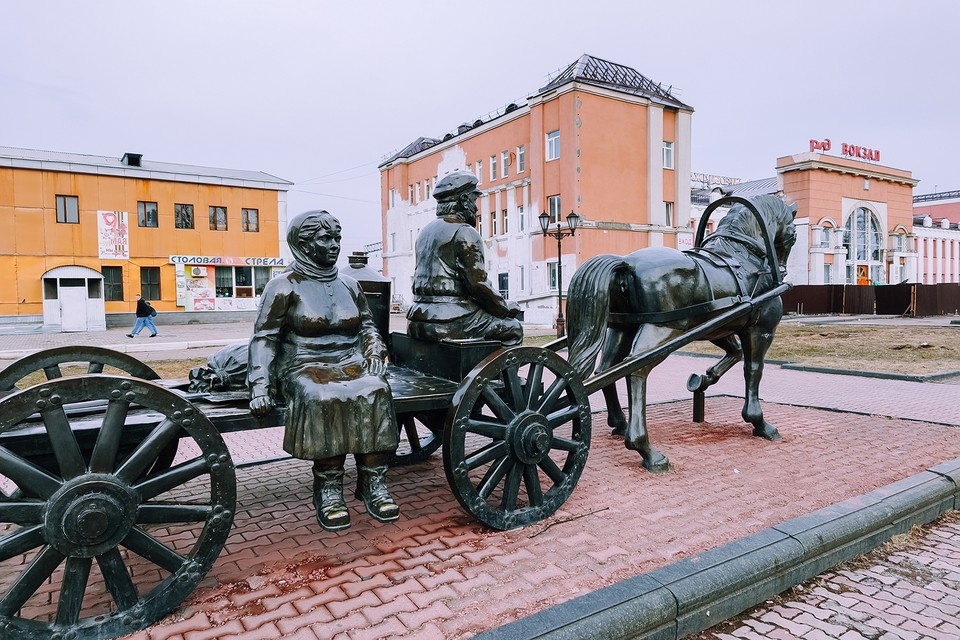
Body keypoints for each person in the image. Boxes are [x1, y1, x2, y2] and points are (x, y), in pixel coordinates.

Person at [247, 210, 399, 531]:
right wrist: (260, 385)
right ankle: (328, 489)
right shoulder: (282, 286)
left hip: (350, 361)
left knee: (376, 389)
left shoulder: (350, 284)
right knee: (323, 395)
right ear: (303, 244)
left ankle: (372, 482)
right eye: (325, 239)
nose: (334, 245)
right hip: (303, 364)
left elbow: (368, 327)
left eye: (337, 239)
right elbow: (264, 338)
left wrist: (374, 350)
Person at [406, 170, 523, 345]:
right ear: (463, 201)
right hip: (450, 320)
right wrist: (505, 308)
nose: (476, 208)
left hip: (418, 319)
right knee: (513, 328)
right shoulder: (465, 232)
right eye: (474, 201)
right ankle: (501, 373)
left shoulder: (425, 233)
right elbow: (477, 285)